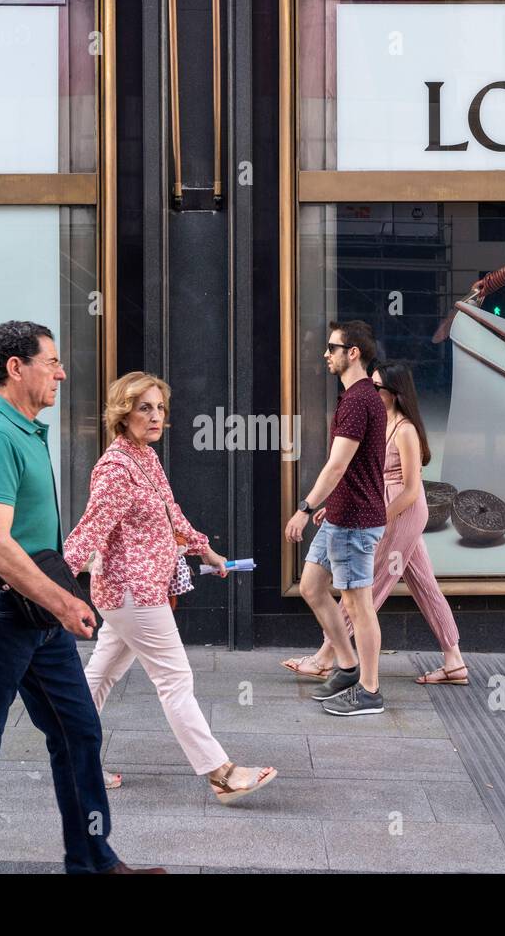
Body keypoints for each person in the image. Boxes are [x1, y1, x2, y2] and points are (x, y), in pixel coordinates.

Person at [0, 321, 164, 874]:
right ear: (15, 367)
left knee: (78, 730)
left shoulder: (24, 429)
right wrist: (59, 602)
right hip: (4, 613)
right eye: (50, 361)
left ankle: (93, 862)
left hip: (28, 613)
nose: (60, 372)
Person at [64, 372, 277, 803]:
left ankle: (73, 764)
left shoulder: (145, 457)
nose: (156, 416)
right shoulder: (115, 468)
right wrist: (49, 587)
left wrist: (206, 551)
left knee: (99, 675)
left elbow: (171, 515)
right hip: (132, 593)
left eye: (160, 407)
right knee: (175, 679)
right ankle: (221, 773)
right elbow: (87, 532)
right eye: (145, 408)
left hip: (139, 590)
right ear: (123, 414)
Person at [281, 361, 468, 686]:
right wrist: (339, 507)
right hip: (381, 507)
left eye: (377, 387)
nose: (371, 391)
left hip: (400, 511)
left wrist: (374, 518)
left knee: (368, 586)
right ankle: (454, 661)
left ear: (395, 393)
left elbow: (411, 491)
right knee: (424, 584)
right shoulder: (379, 422)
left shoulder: (405, 429)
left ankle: (326, 657)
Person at [284, 320, 388, 716]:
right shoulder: (357, 398)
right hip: (343, 514)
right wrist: (331, 504)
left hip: (355, 522)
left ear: (353, 353)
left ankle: (370, 690)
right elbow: (355, 467)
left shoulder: (360, 400)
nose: (326, 354)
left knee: (358, 604)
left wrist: (304, 507)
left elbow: (337, 465)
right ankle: (346, 666)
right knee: (312, 586)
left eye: (333, 347)